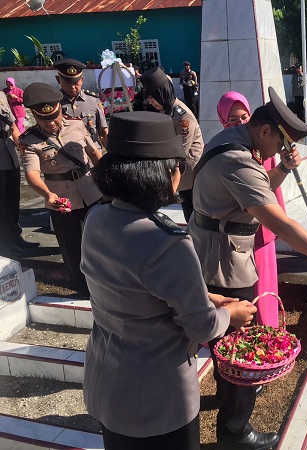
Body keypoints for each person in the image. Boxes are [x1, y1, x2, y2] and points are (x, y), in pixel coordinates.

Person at [188, 86, 307, 449]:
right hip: (225, 264)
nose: (281, 152)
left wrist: (282, 168)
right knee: (240, 348)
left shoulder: (231, 141)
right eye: (281, 144)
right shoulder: (238, 159)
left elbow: (256, 189)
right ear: (266, 130)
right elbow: (281, 223)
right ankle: (235, 433)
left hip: (213, 252)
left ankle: (228, 401)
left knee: (224, 342)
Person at [81, 111, 256, 450]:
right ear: (159, 175)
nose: (180, 173)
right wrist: (229, 315)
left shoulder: (97, 217)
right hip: (158, 398)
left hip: (106, 379)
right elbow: (203, 328)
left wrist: (210, 298)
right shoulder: (168, 242)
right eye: (176, 165)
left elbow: (137, 290)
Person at [20, 83, 103, 290]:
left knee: (101, 240)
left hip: (91, 191)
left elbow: (94, 154)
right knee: (71, 246)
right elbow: (32, 174)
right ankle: (81, 287)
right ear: (34, 116)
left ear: (60, 109)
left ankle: (106, 283)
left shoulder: (76, 124)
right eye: (44, 120)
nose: (51, 123)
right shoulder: (29, 140)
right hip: (61, 199)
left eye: (54, 117)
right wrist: (47, 194)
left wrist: (106, 179)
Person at [217, 91, 285, 328]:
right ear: (222, 121)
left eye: (244, 116)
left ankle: (267, 327)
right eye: (232, 120)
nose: (240, 123)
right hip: (234, 231)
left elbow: (270, 188)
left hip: (261, 227)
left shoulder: (265, 147)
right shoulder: (222, 150)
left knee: (264, 282)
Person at [140, 66, 204, 223]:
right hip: (179, 176)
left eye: (152, 96)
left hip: (190, 176)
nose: (150, 101)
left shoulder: (183, 116)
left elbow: (179, 150)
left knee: (194, 217)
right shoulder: (166, 111)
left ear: (162, 92)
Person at [0, 89, 38, 255]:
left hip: (8, 151)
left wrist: (22, 146)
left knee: (12, 198)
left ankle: (15, 236)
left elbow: (12, 124)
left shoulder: (1, 95)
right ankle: (4, 243)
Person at [54, 58, 108, 149]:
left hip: (94, 152)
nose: (72, 87)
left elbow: (103, 132)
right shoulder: (54, 103)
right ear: (58, 80)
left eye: (75, 82)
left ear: (82, 80)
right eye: (67, 82)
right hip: (68, 155)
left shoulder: (93, 100)